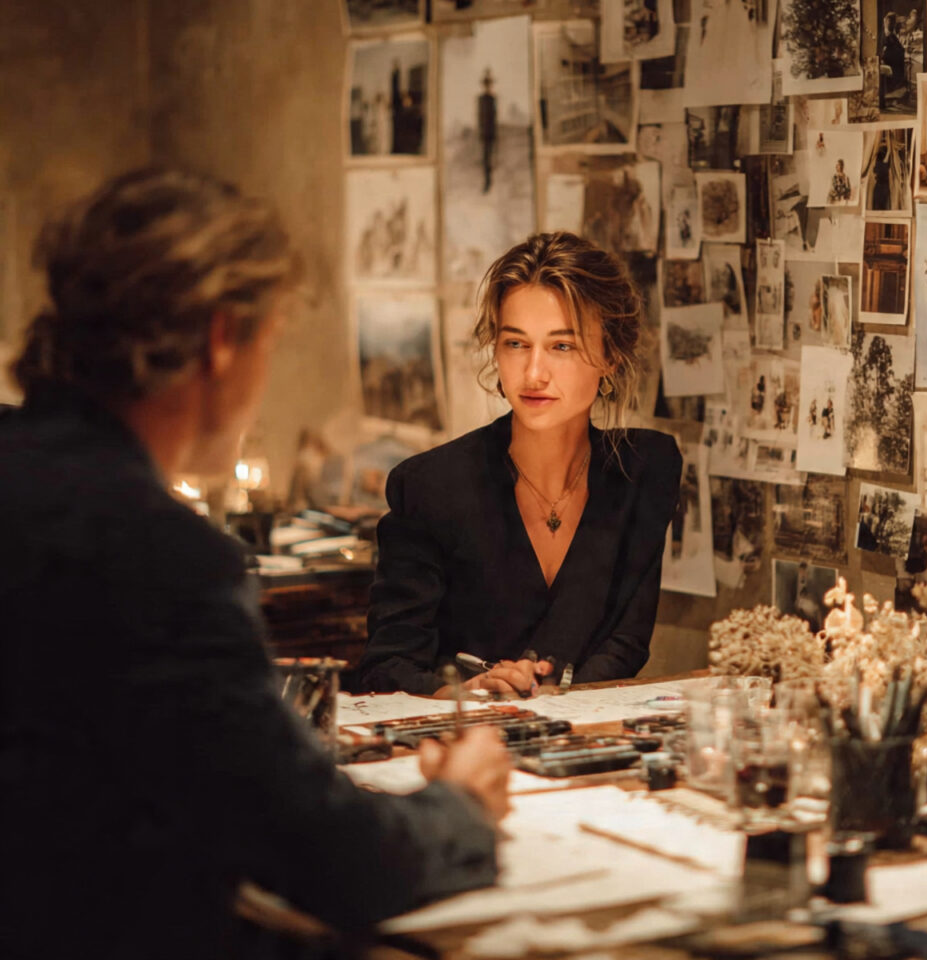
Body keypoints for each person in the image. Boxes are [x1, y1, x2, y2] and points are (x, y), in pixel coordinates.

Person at [0, 168, 508, 959]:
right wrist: (459, 809)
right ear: (221, 339)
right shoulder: (156, 554)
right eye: (269, 343)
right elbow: (328, 858)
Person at [356, 232, 682, 696]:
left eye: (561, 346)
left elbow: (626, 643)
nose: (533, 374)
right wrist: (470, 692)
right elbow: (387, 667)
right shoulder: (430, 487)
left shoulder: (644, 469)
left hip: (582, 742)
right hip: (459, 745)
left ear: (609, 355)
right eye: (515, 344)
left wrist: (551, 699)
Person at [478, 68, 497, 193]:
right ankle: (487, 181)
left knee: (490, 157)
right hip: (484, 132)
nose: (487, 86)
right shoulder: (481, 99)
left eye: (489, 84)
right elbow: (479, 116)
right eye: (486, 84)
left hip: (490, 132)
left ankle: (489, 181)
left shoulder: (492, 99)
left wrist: (494, 133)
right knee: (485, 158)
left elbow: (494, 116)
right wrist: (480, 130)